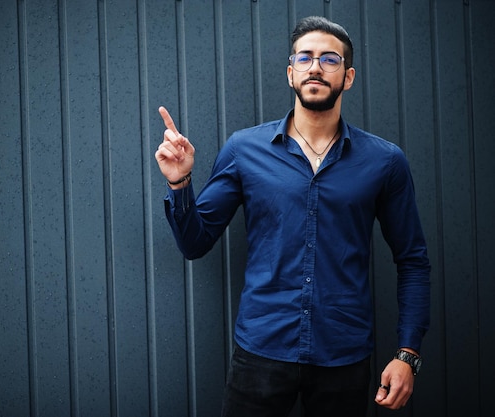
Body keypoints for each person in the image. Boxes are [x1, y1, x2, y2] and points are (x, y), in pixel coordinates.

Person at [154, 15, 430, 417]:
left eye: (329, 59)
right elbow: (195, 243)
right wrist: (180, 184)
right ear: (290, 73)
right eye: (305, 58)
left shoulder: (385, 162)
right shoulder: (243, 149)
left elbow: (413, 260)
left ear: (348, 77)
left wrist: (408, 355)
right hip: (261, 353)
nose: (315, 66)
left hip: (344, 358)